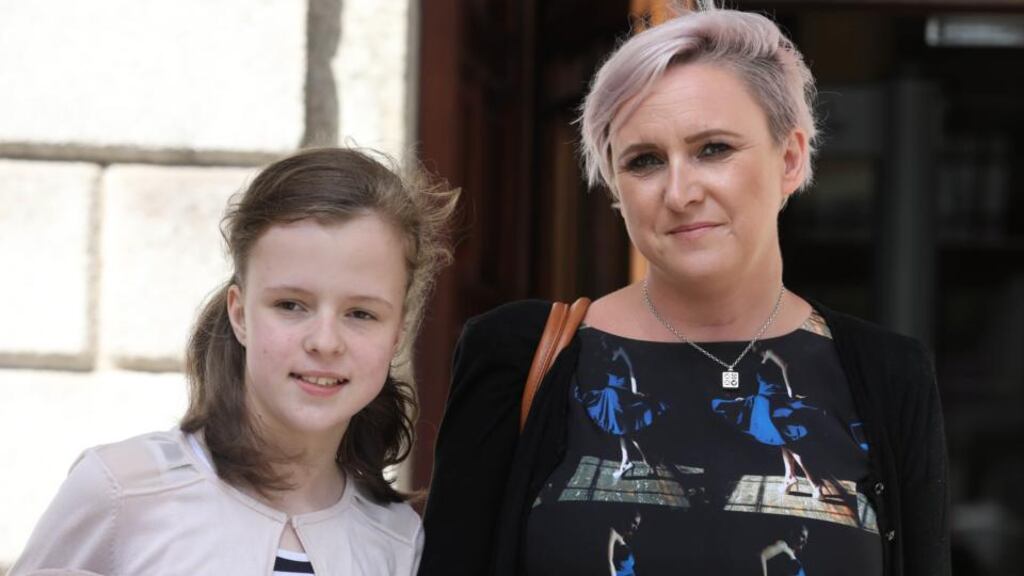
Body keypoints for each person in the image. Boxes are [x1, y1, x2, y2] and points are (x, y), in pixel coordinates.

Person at [419, 2, 949, 575]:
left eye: (713, 149)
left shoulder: (889, 376)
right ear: (615, 188)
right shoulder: (516, 356)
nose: (680, 192)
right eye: (644, 161)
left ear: (791, 159)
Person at [11, 147, 457, 575]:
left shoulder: (399, 540)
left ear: (397, 334)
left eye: (361, 314)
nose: (325, 342)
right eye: (290, 305)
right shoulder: (122, 490)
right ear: (240, 315)